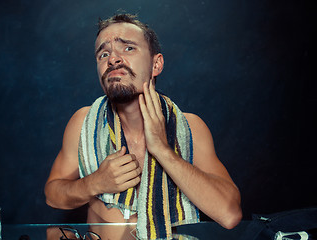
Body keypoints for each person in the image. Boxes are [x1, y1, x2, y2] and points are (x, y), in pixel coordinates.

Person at [45, 13, 242, 239]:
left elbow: (229, 214)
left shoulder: (190, 128)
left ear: (156, 64)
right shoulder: (84, 122)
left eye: (128, 48)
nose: (113, 59)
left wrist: (162, 149)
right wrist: (94, 183)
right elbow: (52, 195)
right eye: (103, 53)